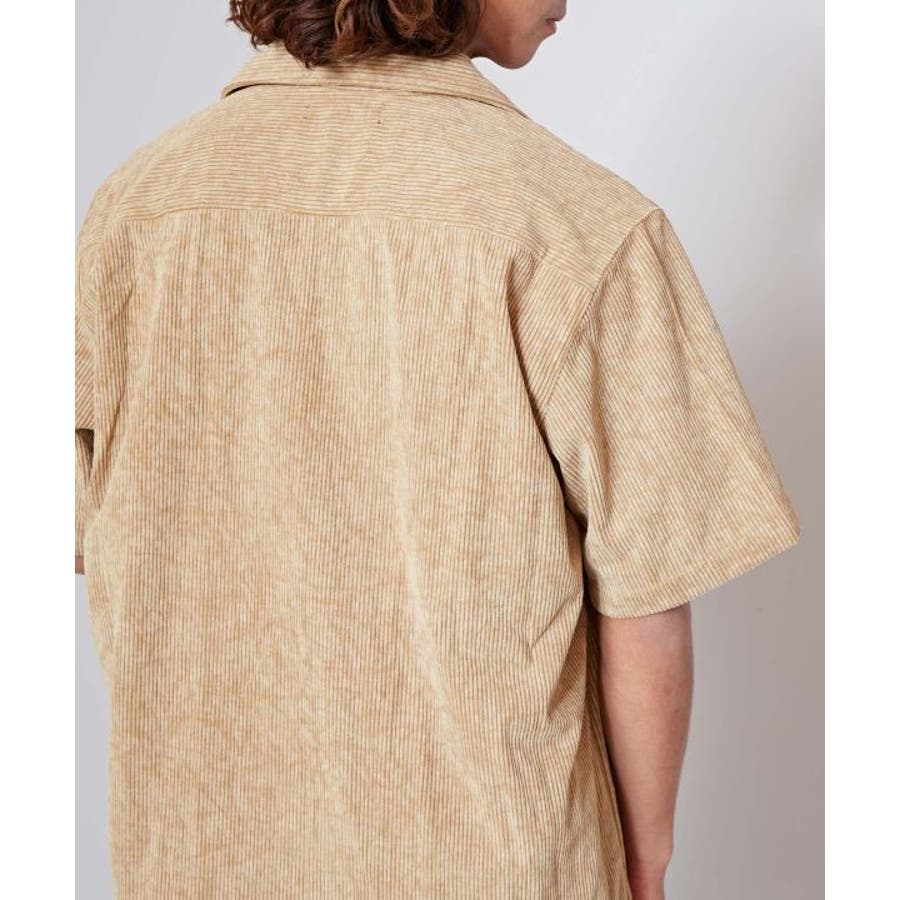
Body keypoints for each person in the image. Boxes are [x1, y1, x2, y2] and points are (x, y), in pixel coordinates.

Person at [74, 2, 801, 898]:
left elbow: (89, 534)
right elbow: (647, 597)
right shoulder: (574, 219)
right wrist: (644, 860)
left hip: (197, 859)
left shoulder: (132, 210)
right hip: (499, 863)